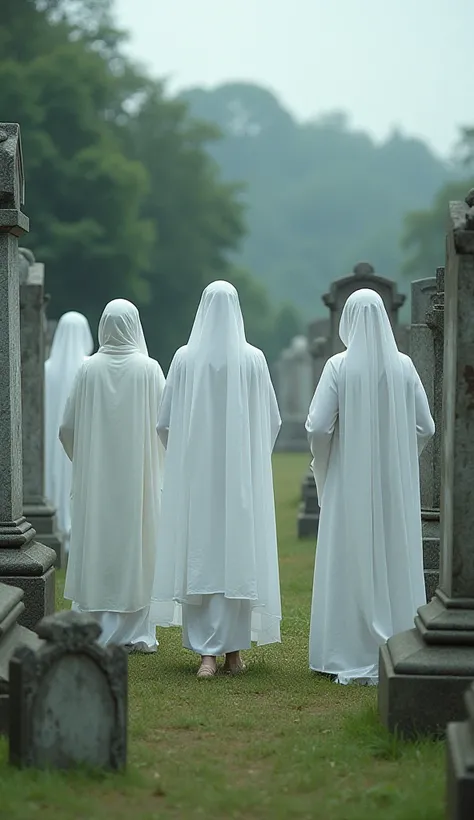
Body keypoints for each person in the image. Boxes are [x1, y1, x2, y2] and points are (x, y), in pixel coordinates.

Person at [150, 281, 282, 677]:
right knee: (237, 554)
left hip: (197, 479)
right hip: (239, 478)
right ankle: (232, 653)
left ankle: (208, 653)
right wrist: (252, 458)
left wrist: (184, 460)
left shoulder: (184, 359)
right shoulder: (254, 359)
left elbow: (165, 422)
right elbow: (272, 420)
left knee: (202, 553)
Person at [306, 289, 435, 685]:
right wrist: (397, 457)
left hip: (348, 482)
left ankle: (344, 649)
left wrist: (326, 460)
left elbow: (317, 426)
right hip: (391, 485)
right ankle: (395, 645)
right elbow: (426, 426)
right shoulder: (404, 366)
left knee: (348, 555)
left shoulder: (338, 366)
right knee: (393, 553)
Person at [59, 299, 166, 651]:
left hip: (96, 480)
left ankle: (97, 628)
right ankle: (135, 631)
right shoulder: (150, 370)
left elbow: (67, 427)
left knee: (98, 543)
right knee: (137, 545)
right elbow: (167, 425)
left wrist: (86, 462)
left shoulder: (87, 369)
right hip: (141, 479)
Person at [44, 311, 94, 547]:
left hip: (51, 439)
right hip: (80, 439)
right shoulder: (89, 367)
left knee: (53, 477)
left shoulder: (46, 369)